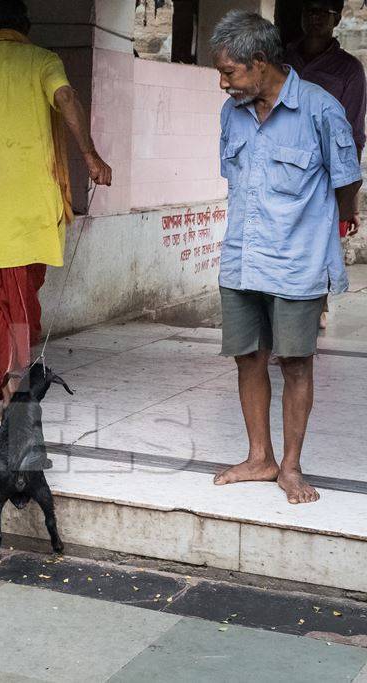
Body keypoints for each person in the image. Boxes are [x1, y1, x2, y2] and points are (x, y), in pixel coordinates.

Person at [210, 11, 361, 504]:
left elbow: (346, 181)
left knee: (295, 362)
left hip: (297, 260)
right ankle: (260, 457)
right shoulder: (232, 113)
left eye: (229, 72)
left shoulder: (321, 110)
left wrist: (322, 230)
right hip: (241, 258)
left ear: (259, 63)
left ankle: (290, 467)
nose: (222, 82)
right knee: (247, 358)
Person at [0, 0, 112, 410]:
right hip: (29, 204)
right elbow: (66, 98)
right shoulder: (42, 59)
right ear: (25, 27)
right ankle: (16, 379)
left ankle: (2, 378)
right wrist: (91, 157)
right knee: (22, 298)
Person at [284, 0, 365, 329]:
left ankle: (315, 303)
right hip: (279, 169)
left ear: (338, 17)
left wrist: (349, 197)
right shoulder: (282, 59)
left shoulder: (349, 70)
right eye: (308, 9)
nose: (314, 16)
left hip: (321, 173)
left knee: (316, 242)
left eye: (322, 11)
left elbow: (354, 135)